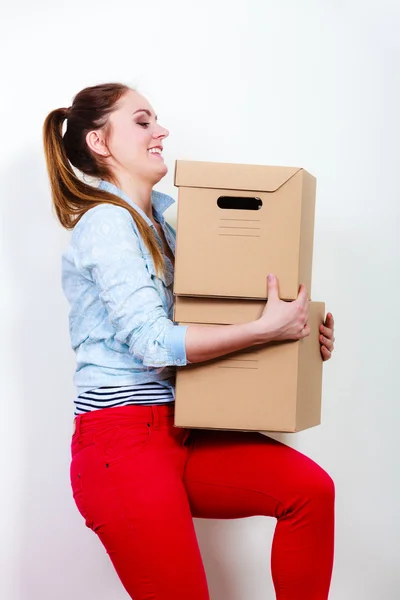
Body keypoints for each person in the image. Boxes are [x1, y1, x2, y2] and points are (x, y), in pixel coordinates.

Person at [42, 82, 336, 600]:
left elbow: (216, 311)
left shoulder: (167, 221)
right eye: (142, 121)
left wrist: (296, 334)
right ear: (99, 142)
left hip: (182, 428)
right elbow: (154, 344)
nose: (162, 131)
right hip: (121, 444)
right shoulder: (107, 224)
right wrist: (265, 329)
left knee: (309, 492)